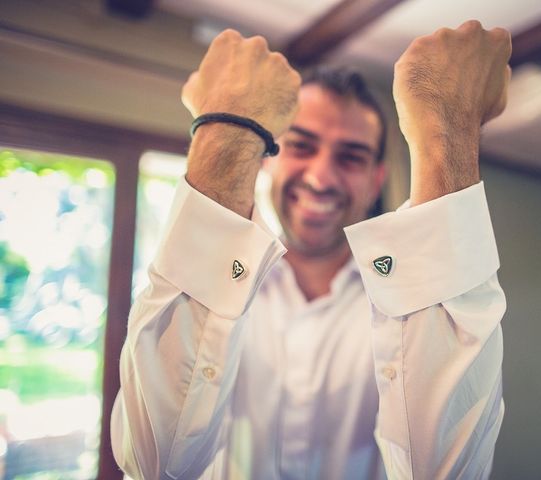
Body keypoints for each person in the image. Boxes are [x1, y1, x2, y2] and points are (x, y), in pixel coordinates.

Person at [111, 19, 511, 480]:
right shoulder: (213, 284)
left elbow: (449, 472)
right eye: (301, 146)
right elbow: (150, 466)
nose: (321, 178)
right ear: (268, 158)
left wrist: (449, 132)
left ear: (376, 178)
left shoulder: (410, 300)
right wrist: (227, 134)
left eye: (350, 157)